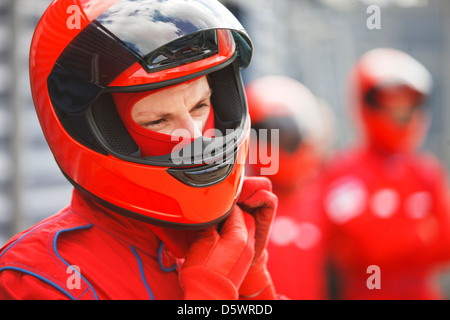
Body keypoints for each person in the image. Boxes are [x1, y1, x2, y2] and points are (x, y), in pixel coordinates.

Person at [0, 0, 278, 300]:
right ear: (101, 131)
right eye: (158, 120)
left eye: (200, 105)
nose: (195, 137)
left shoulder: (224, 242)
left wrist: (254, 287)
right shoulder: (38, 277)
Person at [321, 48, 450, 299]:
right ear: (366, 102)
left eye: (407, 104)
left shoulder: (427, 172)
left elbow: (445, 245)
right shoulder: (344, 171)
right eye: (390, 103)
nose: (399, 114)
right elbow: (359, 249)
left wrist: (391, 237)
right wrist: (419, 235)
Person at [245, 76, 334, 299]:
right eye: (277, 136)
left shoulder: (324, 199)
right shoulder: (235, 205)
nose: (288, 144)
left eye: (293, 135)